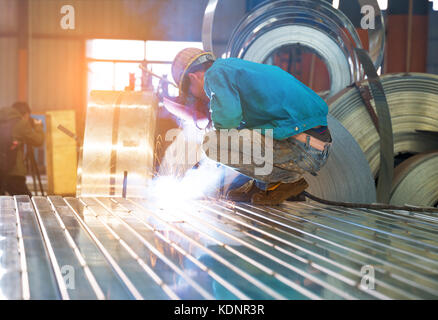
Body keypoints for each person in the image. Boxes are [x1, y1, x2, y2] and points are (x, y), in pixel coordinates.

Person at [168, 48, 332, 205]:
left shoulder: (215, 74)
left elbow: (227, 122)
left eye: (190, 91)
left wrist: (213, 119)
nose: (194, 95)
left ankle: (286, 181)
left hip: (305, 148)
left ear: (193, 77)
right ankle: (265, 185)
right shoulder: (233, 69)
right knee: (239, 135)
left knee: (211, 143)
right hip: (314, 144)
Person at [0, 102, 44, 196]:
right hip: (14, 173)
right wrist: (38, 126)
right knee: (26, 203)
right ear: (26, 114)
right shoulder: (21, 123)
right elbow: (38, 141)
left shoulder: (2, 120)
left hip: (1, 171)